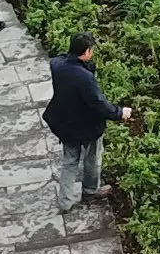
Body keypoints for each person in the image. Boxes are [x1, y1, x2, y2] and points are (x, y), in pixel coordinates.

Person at [44, 33, 133, 217]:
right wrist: (119, 112)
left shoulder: (57, 65)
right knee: (92, 158)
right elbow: (99, 103)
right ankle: (90, 191)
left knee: (70, 161)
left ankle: (65, 201)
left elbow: (61, 57)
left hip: (65, 123)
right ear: (85, 52)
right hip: (87, 125)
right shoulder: (85, 78)